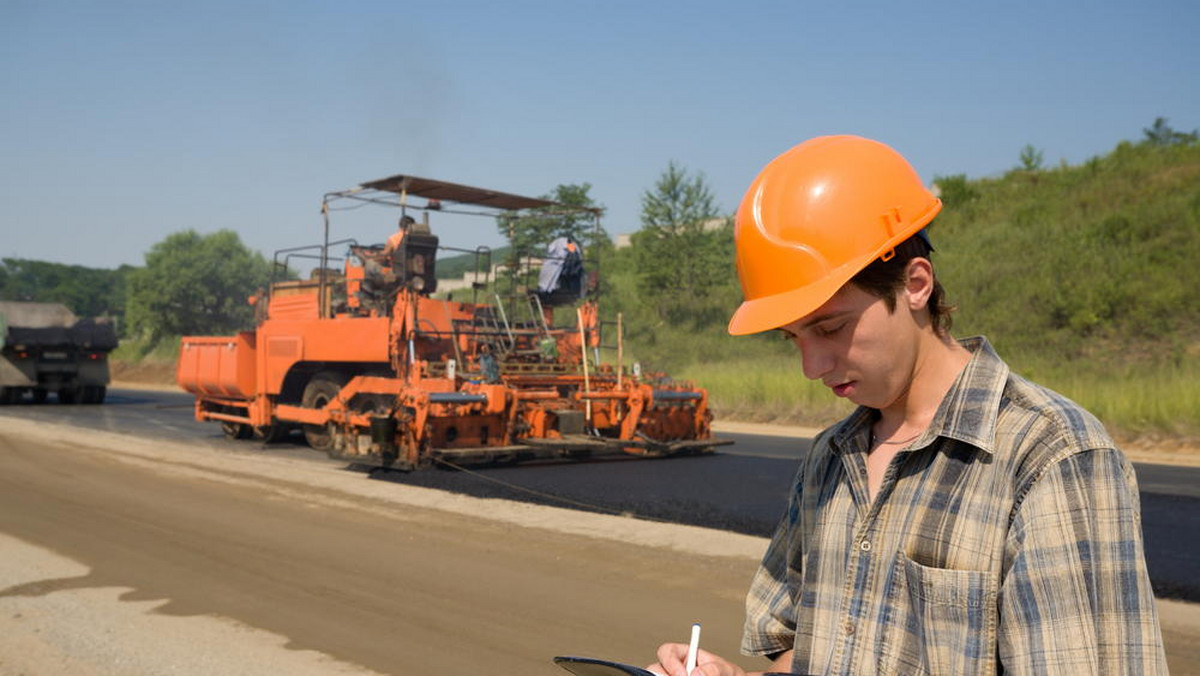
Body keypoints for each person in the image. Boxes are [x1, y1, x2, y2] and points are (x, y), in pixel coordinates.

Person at [649, 135, 1166, 675]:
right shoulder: (831, 458)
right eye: (793, 338)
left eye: (832, 328)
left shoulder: (1048, 459)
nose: (812, 366)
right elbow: (809, 651)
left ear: (915, 283)